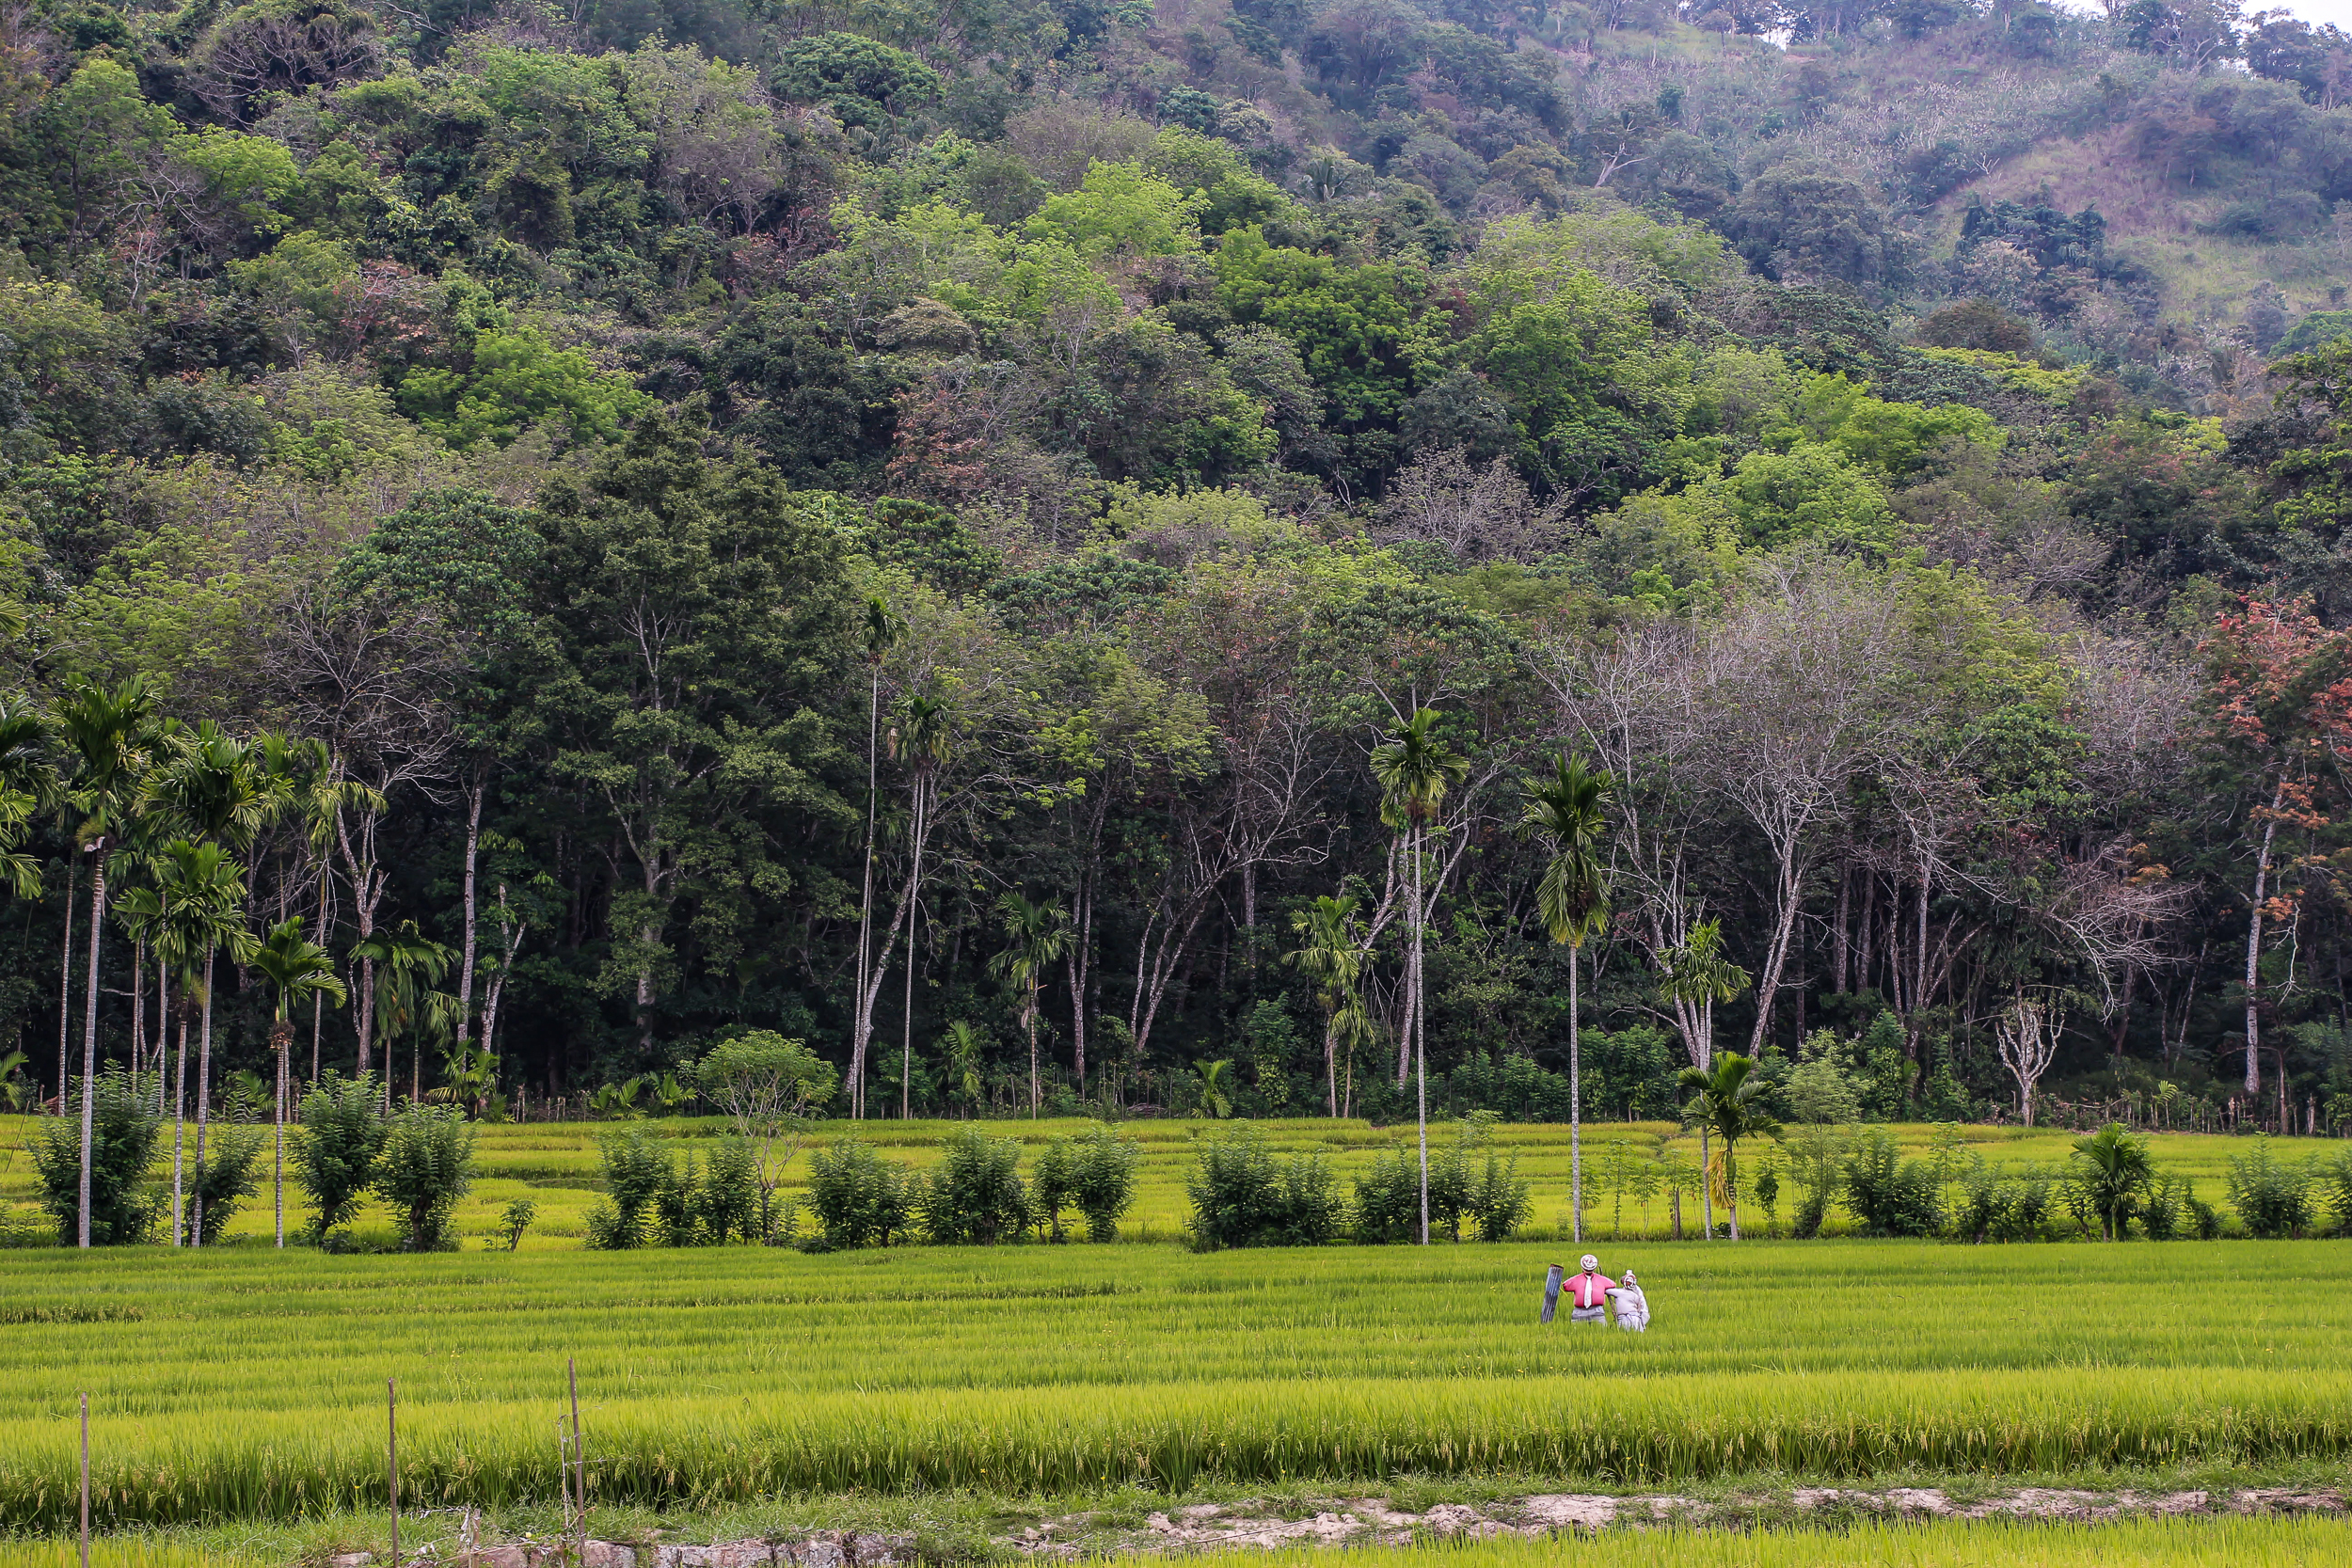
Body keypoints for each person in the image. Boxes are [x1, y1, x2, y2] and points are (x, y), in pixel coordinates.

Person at [1565, 1255, 1614, 1323]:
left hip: (1597, 1311)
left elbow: (1612, 1284)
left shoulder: (1601, 1279)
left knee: (1601, 1330)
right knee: (1578, 1330)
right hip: (1579, 1311)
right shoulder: (1576, 1280)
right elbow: (1566, 1286)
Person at [1608, 1269, 1649, 1333]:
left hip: (1624, 1318)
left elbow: (1606, 1290)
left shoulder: (1619, 1292)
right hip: (1636, 1318)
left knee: (1623, 1334)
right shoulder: (1636, 1295)